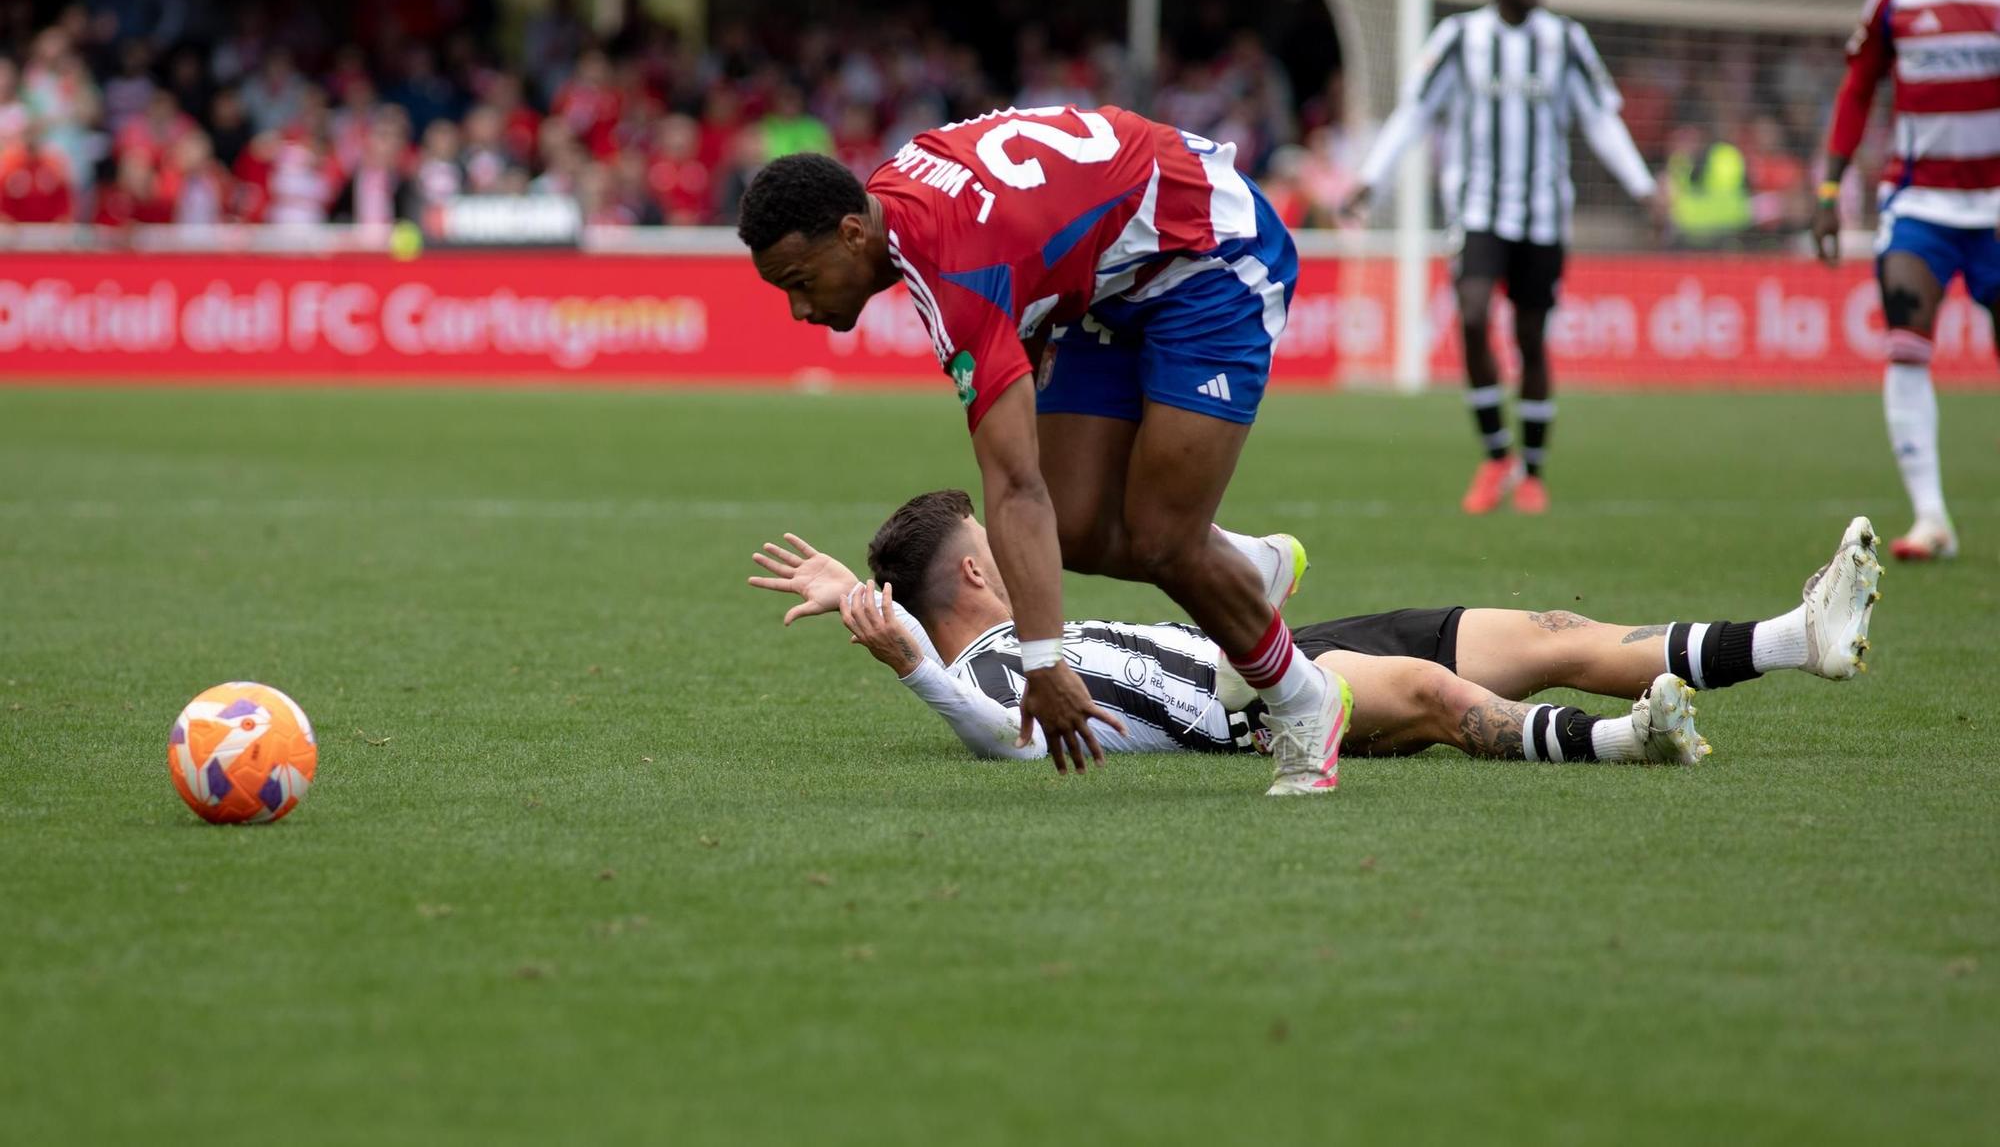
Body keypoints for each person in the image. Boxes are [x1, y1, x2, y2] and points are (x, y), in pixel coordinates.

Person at [737, 106, 1347, 793]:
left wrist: (1044, 662)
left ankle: (1303, 698)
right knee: (1074, 529)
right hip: (1109, 275)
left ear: (852, 234)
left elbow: (1014, 484)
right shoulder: (894, 202)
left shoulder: (954, 271)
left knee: (1163, 541)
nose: (799, 310)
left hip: (1207, 252)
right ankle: (1247, 564)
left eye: (800, 280)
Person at [746, 495, 1882, 767]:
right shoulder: (999, 665)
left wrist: (876, 597)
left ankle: (1792, 636)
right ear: (985, 567)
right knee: (1438, 706)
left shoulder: (1005, 634)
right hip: (1255, 708)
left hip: (1266, 640)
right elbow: (1010, 738)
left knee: (1548, 629)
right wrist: (913, 666)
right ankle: (1622, 742)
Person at [1340, 0, 1660, 515]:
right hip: (1479, 211)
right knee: (1471, 314)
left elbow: (1599, 119)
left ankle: (1533, 472)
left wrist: (1642, 187)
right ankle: (1496, 457)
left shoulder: (1566, 40)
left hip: (1542, 214)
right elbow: (1414, 113)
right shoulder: (1460, 39)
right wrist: (1371, 179)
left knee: (1532, 339)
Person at [1811, 0, 2000, 563]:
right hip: (1919, 205)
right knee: (1906, 343)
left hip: (1997, 209)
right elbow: (1858, 88)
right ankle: (1931, 517)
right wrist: (1829, 188)